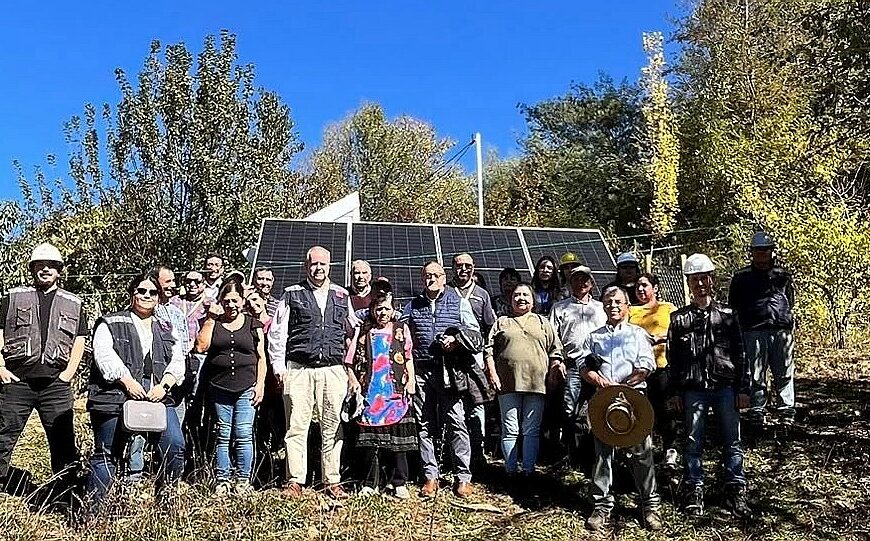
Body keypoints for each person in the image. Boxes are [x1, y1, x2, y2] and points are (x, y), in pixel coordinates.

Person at [86, 273, 186, 511]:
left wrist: (165, 385)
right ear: (132, 294)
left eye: (153, 292)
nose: (147, 296)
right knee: (106, 453)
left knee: (174, 444)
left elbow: (178, 359)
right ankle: (94, 514)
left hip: (158, 398)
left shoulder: (166, 328)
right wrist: (127, 381)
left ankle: (166, 504)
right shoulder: (110, 322)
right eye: (141, 291)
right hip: (114, 396)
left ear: (159, 297)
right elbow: (103, 355)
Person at [268, 246, 356, 499]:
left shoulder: (341, 295)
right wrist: (278, 366)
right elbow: (278, 332)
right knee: (296, 426)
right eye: (313, 264)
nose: (318, 268)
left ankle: (332, 480)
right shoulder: (291, 294)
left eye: (323, 264)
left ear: (330, 266)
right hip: (299, 370)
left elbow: (353, 329)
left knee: (333, 426)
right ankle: (295, 480)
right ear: (306, 266)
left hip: (333, 370)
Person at [667, 254, 751, 519]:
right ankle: (694, 489)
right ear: (688, 283)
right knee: (693, 442)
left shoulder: (728, 315)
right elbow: (673, 360)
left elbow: (741, 354)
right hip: (693, 389)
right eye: (695, 279)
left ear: (712, 280)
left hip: (725, 388)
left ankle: (735, 489)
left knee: (732, 441)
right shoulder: (679, 319)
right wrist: (676, 392)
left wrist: (744, 389)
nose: (700, 284)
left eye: (704, 278)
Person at [0, 243, 87, 489]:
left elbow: (79, 340)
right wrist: (1, 368)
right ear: (32, 269)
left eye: (51, 266)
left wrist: (68, 375)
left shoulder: (74, 303)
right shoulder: (13, 298)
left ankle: (67, 493)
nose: (45, 269)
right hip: (17, 381)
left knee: (63, 442)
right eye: (40, 265)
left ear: (59, 270)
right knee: (3, 436)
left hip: (55, 386)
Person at [580, 286, 660, 532]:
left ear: (627, 306)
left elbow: (647, 365)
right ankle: (601, 506)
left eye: (618, 301)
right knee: (602, 454)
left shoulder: (638, 334)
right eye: (608, 301)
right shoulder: (594, 337)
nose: (613, 305)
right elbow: (585, 366)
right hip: (604, 400)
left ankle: (650, 506)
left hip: (634, 399)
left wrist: (627, 384)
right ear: (603, 306)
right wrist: (601, 382)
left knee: (641, 452)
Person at [401, 261, 484, 498]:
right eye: (427, 275)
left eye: (436, 275)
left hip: (450, 372)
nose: (432, 279)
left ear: (444, 278)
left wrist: (457, 341)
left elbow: (476, 334)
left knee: (456, 422)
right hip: (421, 371)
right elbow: (398, 329)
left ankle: (463, 478)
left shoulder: (460, 302)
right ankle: (430, 476)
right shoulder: (412, 306)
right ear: (422, 279)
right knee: (425, 424)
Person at [485, 283, 563, 475]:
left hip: (536, 383)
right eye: (517, 295)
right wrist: (493, 373)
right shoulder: (502, 322)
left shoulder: (543, 322)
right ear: (511, 300)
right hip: (508, 383)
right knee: (510, 428)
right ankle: (511, 470)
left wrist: (555, 368)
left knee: (531, 429)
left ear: (532, 300)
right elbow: (488, 351)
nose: (521, 298)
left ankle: (528, 471)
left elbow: (556, 349)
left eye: (525, 295)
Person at [196, 281, 266, 494]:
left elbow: (261, 357)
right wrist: (210, 318)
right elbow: (201, 346)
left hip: (247, 386)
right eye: (226, 301)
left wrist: (260, 384)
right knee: (223, 433)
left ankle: (243, 480)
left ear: (243, 301)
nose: (231, 305)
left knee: (244, 432)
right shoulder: (213, 323)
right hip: (220, 386)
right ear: (220, 302)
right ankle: (222, 479)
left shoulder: (254, 324)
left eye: (235, 301)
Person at [346, 290, 417, 498]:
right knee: (371, 442)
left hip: (395, 392)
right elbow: (349, 362)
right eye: (379, 309)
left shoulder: (401, 330)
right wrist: (354, 383)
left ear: (393, 310)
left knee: (398, 442)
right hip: (371, 393)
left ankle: (399, 481)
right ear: (372, 311)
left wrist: (411, 381)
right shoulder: (364, 332)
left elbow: (408, 357)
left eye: (387, 309)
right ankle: (370, 482)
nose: (383, 313)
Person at [729, 231, 796, 427]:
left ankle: (786, 409)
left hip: (781, 331)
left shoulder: (783, 276)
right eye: (758, 250)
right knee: (755, 372)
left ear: (771, 251)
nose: (762, 254)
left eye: (765, 250)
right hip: (752, 331)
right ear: (751, 252)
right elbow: (733, 305)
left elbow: (789, 300)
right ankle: (757, 409)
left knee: (784, 371)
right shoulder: (741, 277)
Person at [548, 265, 607, 459]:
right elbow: (553, 338)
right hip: (572, 363)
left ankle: (590, 453)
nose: (581, 283)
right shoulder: (559, 307)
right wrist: (558, 361)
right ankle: (569, 450)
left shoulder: (601, 308)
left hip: (598, 365)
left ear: (591, 283)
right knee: (568, 407)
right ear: (569, 283)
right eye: (576, 279)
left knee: (595, 407)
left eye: (585, 279)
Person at [450, 253, 496, 467]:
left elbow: (490, 328)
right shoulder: (447, 291)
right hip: (451, 359)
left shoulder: (482, 294)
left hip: (475, 357)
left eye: (468, 266)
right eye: (459, 266)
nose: (464, 269)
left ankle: (478, 451)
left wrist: (488, 358)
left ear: (473, 268)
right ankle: (455, 454)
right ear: (453, 268)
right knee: (455, 405)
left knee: (478, 404)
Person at [629, 272, 678, 469]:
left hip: (662, 366)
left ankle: (670, 451)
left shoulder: (667, 308)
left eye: (645, 285)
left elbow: (679, 329)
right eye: (638, 286)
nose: (640, 289)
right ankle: (643, 455)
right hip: (638, 371)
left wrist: (660, 337)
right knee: (641, 413)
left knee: (666, 411)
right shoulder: (631, 310)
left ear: (655, 287)